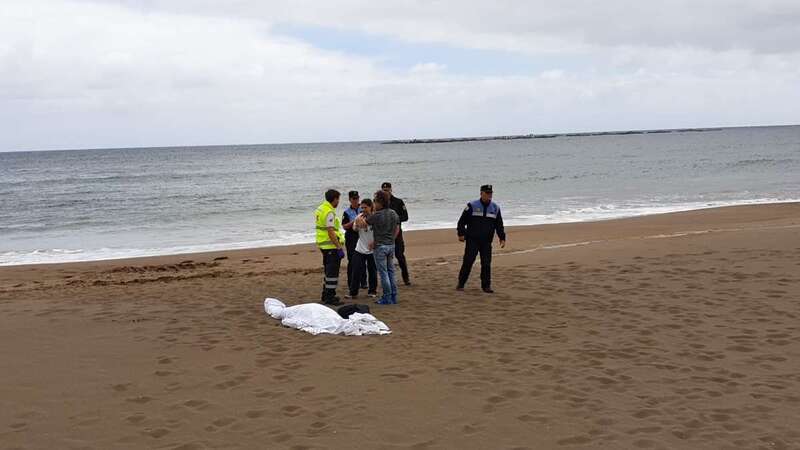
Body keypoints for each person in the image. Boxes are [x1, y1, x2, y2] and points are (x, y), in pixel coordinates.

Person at [456, 184, 506, 293]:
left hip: (486, 242)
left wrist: (502, 238)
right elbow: (461, 222)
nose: (489, 195)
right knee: (468, 262)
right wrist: (461, 234)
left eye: (490, 193)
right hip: (472, 240)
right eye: (487, 193)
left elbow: (499, 225)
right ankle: (461, 283)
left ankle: (486, 286)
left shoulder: (495, 208)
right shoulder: (471, 206)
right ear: (481, 193)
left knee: (486, 264)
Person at [366, 190, 400, 305]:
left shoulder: (377, 215)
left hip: (380, 246)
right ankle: (393, 296)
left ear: (380, 202)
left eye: (375, 202)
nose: (374, 204)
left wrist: (373, 211)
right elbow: (396, 228)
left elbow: (364, 222)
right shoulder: (393, 213)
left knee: (383, 272)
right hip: (391, 245)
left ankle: (387, 297)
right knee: (391, 271)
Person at [315, 189, 346, 306]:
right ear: (334, 199)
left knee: (328, 272)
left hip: (323, 245)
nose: (338, 201)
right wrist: (338, 247)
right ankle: (330, 296)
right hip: (330, 246)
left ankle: (325, 294)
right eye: (338, 199)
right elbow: (330, 231)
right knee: (332, 273)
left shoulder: (321, 208)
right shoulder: (329, 212)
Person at [381, 182, 411, 285]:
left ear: (391, 190)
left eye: (387, 190)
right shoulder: (379, 203)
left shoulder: (398, 202)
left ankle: (406, 277)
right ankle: (387, 279)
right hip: (383, 235)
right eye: (384, 190)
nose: (386, 192)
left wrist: (395, 220)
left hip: (397, 234)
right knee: (384, 258)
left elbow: (405, 217)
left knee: (400, 255)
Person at [348, 198, 378, 299]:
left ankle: (372, 291)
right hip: (360, 248)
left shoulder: (375, 217)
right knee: (356, 269)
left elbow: (379, 232)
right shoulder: (359, 216)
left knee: (372, 271)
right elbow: (355, 229)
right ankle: (353, 292)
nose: (363, 210)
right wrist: (357, 223)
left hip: (372, 249)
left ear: (371, 207)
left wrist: (375, 243)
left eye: (365, 207)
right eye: (362, 208)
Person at [341, 190, 367, 292]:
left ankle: (363, 282)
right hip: (351, 237)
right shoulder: (346, 212)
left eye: (357, 198)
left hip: (362, 236)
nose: (356, 200)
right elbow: (344, 226)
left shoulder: (363, 208)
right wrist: (355, 221)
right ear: (350, 199)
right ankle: (350, 282)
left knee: (363, 259)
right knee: (352, 260)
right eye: (353, 199)